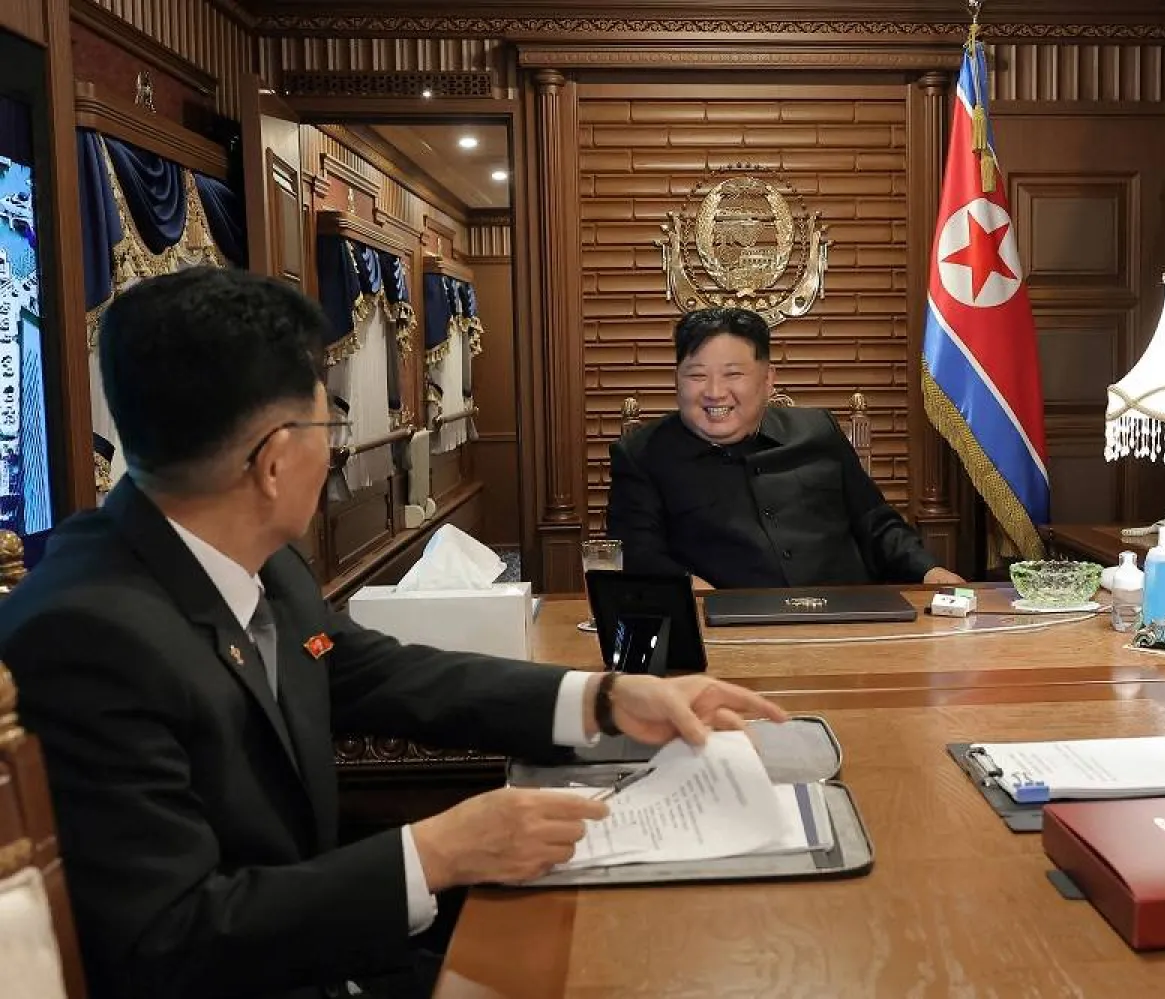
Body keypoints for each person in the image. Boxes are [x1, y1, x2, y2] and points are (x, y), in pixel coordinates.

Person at [0, 268, 787, 999]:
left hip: (323, 939)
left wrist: (606, 697)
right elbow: (163, 940)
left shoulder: (254, 556)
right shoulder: (87, 636)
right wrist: (437, 851)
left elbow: (378, 675)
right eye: (325, 419)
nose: (335, 442)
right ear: (275, 461)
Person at [606, 307, 964, 589]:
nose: (714, 391)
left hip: (847, 620)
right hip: (725, 630)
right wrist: (691, 591)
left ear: (768, 380)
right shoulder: (642, 455)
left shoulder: (818, 431)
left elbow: (875, 524)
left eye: (733, 374)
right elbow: (638, 554)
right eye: (696, 375)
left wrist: (929, 572)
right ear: (677, 379)